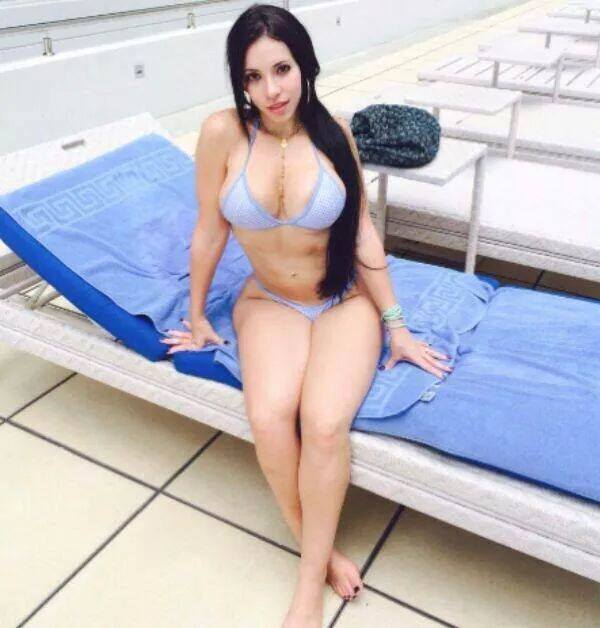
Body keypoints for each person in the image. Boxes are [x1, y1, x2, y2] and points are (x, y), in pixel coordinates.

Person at [161, 4, 452, 626]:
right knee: (269, 416)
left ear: (306, 66)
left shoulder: (335, 134)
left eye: (282, 69)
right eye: (253, 76)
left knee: (322, 424)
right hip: (270, 301)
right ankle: (318, 556)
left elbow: (363, 233)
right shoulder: (221, 134)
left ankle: (304, 588)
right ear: (239, 82)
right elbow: (210, 230)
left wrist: (397, 326)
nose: (271, 90)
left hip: (342, 299)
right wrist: (198, 314)